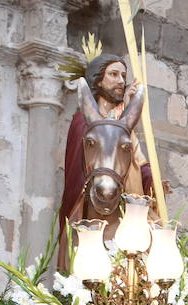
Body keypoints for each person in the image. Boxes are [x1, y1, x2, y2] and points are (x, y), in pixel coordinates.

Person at [58, 51, 153, 259]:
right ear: (98, 80)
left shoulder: (125, 125)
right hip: (93, 205)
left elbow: (138, 160)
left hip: (125, 205)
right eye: (113, 74)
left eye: (123, 76)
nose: (121, 81)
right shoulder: (82, 122)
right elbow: (78, 168)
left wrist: (151, 179)